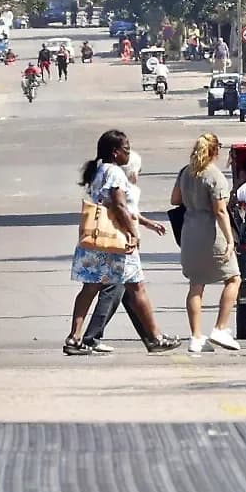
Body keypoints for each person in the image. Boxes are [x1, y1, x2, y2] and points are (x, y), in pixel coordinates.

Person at [67, 131, 180, 355]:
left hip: (97, 237)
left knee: (90, 287)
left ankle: (75, 337)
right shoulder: (115, 172)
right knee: (137, 287)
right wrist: (132, 233)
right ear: (115, 152)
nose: (129, 153)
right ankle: (156, 337)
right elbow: (119, 206)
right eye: (126, 149)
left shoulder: (98, 171)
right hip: (117, 241)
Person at [172, 134, 242, 354]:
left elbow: (175, 200)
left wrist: (192, 198)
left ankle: (195, 336)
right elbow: (220, 210)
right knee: (233, 278)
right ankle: (220, 328)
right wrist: (230, 240)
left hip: (189, 232)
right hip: (211, 232)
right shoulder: (215, 176)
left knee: (196, 284)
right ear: (215, 151)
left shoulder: (185, 172)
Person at [81, 151, 158, 353]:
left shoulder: (102, 174)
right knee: (118, 290)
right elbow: (122, 209)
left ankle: (151, 337)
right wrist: (134, 234)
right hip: (118, 242)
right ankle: (91, 336)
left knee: (129, 294)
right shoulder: (119, 181)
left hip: (113, 240)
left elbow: (128, 211)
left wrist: (147, 224)